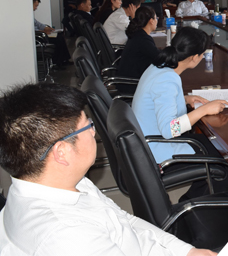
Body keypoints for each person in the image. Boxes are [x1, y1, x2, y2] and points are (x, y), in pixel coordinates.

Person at [0, 82, 216, 256]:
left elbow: (124, 222)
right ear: (62, 152)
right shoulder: (66, 235)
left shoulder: (65, 182)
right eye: (88, 126)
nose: (94, 132)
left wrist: (186, 251)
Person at [131, 27, 228, 200]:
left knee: (214, 146)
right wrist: (203, 110)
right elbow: (169, 130)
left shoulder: (159, 65)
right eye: (202, 55)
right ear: (194, 57)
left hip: (148, 140)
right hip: (157, 150)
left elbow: (158, 99)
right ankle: (196, 208)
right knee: (223, 167)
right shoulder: (167, 79)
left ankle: (192, 200)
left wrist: (185, 99)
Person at [117, 6, 160, 94]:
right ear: (151, 21)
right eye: (156, 18)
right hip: (132, 85)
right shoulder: (143, 39)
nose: (157, 21)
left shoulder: (138, 34)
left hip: (129, 81)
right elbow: (159, 57)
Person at [33, 0, 70, 65]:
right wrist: (43, 31)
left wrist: (47, 28)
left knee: (60, 36)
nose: (36, 8)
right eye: (35, 6)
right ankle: (58, 62)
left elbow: (39, 24)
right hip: (39, 37)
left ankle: (65, 60)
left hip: (42, 33)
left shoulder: (31, 16)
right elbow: (32, 31)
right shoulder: (26, 17)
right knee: (58, 40)